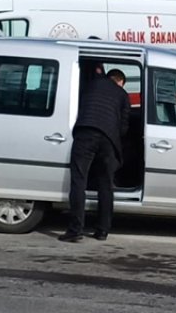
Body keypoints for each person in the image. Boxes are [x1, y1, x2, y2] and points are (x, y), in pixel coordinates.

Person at [62, 68, 130, 242]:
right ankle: (102, 231)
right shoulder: (123, 95)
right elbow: (123, 128)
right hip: (108, 139)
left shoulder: (92, 85)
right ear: (120, 81)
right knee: (106, 185)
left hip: (86, 132)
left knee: (79, 181)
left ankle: (75, 230)